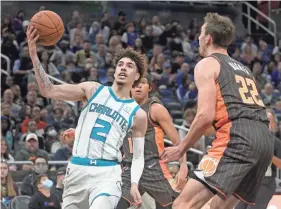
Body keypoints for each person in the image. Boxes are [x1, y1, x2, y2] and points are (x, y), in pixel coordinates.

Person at [160, 13, 274, 209]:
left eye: (200, 33)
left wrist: (181, 148)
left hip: (239, 140)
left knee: (183, 205)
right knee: (219, 207)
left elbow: (205, 116)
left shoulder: (208, 64)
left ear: (208, 38)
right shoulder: (244, 69)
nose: (198, 38)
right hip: (264, 142)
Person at [27, 25, 148, 209]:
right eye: (120, 64)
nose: (123, 68)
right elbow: (48, 90)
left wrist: (133, 184)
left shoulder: (137, 113)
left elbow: (138, 156)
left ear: (137, 75)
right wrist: (34, 55)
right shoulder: (93, 90)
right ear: (115, 71)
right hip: (77, 169)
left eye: (129, 66)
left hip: (107, 173)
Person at [116, 74, 188, 209]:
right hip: (130, 168)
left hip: (153, 166)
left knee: (176, 206)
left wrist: (183, 166)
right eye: (134, 84)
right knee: (117, 205)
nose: (138, 86)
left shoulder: (155, 109)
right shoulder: (123, 110)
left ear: (149, 87)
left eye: (142, 83)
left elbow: (177, 142)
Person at [235, 110, 281, 209]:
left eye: (268, 121)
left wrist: (269, 155)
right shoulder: (247, 139)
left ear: (274, 125)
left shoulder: (276, 143)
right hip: (246, 181)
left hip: (265, 182)